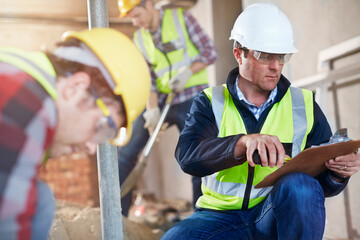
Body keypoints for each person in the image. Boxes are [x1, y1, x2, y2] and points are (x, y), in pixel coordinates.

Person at [161, 3, 360, 240]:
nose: (276, 66)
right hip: (219, 219)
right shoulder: (210, 102)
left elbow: (315, 191)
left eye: (281, 56)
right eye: (265, 55)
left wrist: (338, 175)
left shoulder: (304, 104)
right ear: (239, 54)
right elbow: (188, 157)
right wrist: (241, 144)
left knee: (300, 186)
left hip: (272, 215)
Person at [0, 28, 150, 240]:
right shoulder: (25, 107)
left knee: (40, 200)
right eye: (102, 128)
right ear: (76, 88)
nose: (90, 147)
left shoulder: (22, 73)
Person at [117, 0, 217, 216]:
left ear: (150, 4)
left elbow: (210, 52)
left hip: (192, 97)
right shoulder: (140, 39)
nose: (135, 22)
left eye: (137, 15)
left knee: (197, 155)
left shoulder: (182, 19)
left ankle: (202, 215)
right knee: (124, 154)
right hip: (162, 99)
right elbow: (149, 80)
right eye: (131, 18)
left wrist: (188, 72)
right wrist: (151, 111)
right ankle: (119, 217)